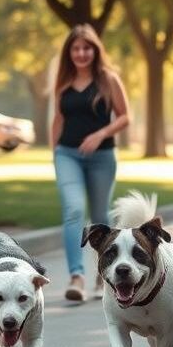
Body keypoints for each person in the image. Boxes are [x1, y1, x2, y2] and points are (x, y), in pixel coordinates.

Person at [52, 24, 131, 302]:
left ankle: (103, 275)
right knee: (73, 210)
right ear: (69, 52)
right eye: (76, 48)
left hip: (102, 158)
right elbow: (58, 119)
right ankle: (76, 277)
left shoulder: (108, 79)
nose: (81, 53)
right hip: (67, 155)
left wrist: (100, 134)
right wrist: (55, 153)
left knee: (100, 218)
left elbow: (125, 116)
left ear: (95, 51)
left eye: (86, 48)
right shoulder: (63, 82)